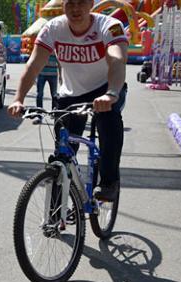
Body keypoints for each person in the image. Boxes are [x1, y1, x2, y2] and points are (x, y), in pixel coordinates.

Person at [8, 0, 128, 201]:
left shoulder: (109, 26)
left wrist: (111, 93)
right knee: (62, 152)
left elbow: (117, 59)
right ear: (63, 5)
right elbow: (34, 65)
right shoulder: (53, 28)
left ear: (91, 4)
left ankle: (109, 182)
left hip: (105, 89)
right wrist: (18, 99)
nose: (76, 8)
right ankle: (56, 207)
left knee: (108, 124)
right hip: (70, 94)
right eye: (70, 3)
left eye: (81, 2)